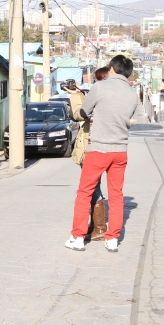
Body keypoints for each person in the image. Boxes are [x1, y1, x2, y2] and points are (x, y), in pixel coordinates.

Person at [66, 55, 138, 252]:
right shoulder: (133, 95)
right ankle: (112, 238)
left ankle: (78, 237)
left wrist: (77, 96)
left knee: (84, 193)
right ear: (128, 73)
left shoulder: (100, 87)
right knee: (116, 195)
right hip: (120, 151)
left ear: (112, 69)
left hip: (98, 149)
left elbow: (82, 113)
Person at [63, 67, 109, 241]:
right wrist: (79, 92)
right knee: (94, 187)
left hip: (93, 149)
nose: (95, 83)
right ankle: (96, 226)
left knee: (91, 189)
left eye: (97, 80)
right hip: (107, 148)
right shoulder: (109, 98)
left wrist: (74, 96)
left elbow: (80, 114)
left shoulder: (102, 99)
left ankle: (99, 228)